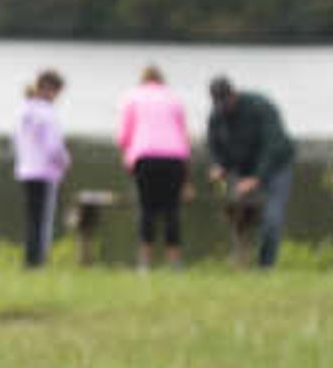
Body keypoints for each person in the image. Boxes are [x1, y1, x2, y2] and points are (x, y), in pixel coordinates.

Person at [205, 75, 300, 268]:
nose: (222, 107)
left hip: (275, 168)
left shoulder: (260, 107)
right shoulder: (216, 116)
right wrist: (218, 166)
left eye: (225, 101)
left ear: (233, 95)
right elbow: (215, 147)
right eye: (218, 103)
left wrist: (257, 178)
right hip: (243, 171)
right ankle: (241, 262)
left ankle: (266, 267)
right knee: (239, 217)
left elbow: (272, 146)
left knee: (272, 219)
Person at [117, 64, 193, 269]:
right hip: (175, 157)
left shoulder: (132, 97)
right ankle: (174, 262)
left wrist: (128, 158)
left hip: (144, 156)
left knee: (146, 208)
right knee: (172, 210)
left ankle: (145, 262)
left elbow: (124, 136)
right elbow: (184, 136)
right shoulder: (174, 98)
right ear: (161, 80)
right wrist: (187, 175)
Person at [13, 69, 70, 267]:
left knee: (31, 220)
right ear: (49, 89)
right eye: (57, 92)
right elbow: (53, 146)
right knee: (43, 221)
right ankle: (40, 261)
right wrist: (64, 161)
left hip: (26, 170)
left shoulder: (23, 110)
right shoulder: (47, 112)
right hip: (45, 172)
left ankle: (30, 259)